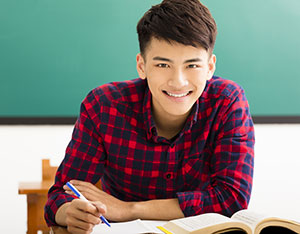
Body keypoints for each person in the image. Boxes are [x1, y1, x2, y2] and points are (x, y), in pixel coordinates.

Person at [44, 0, 255, 233]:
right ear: (142, 66)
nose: (178, 81)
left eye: (192, 66)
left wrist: (130, 209)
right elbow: (59, 197)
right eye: (163, 65)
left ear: (210, 67)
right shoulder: (104, 106)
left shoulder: (227, 101)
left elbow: (232, 199)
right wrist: (71, 213)